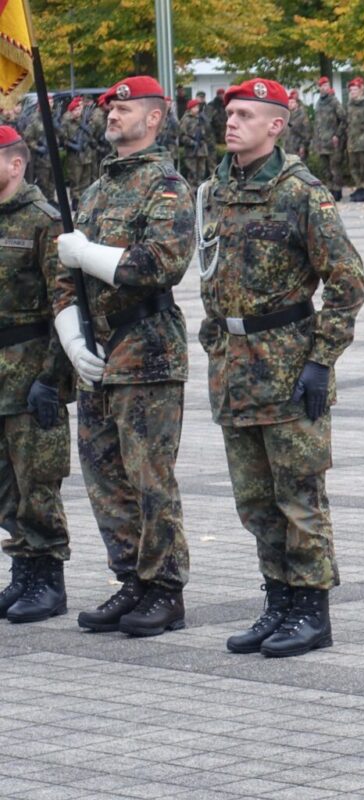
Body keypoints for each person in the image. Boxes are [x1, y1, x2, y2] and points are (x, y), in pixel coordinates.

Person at [195, 77, 364, 658]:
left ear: (276, 124)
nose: (232, 122)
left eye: (245, 114)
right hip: (234, 368)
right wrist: (213, 339)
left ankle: (312, 609)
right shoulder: (213, 191)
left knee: (299, 496)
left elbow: (348, 282)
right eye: (229, 113)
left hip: (289, 367)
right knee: (255, 499)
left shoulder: (300, 192)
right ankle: (279, 601)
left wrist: (322, 360)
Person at [52, 76, 194, 638]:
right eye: (110, 106)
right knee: (103, 476)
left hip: (147, 351)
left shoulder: (166, 185)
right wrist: (71, 336)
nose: (112, 113)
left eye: (125, 106)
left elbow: (158, 264)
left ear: (154, 118)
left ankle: (165, 588)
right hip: (99, 351)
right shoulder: (94, 189)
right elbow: (65, 276)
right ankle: (130, 578)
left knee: (148, 477)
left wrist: (86, 252)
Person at [0, 125, 73, 625]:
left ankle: (47, 580)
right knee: (6, 485)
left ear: (15, 164)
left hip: (30, 374)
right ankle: (22, 574)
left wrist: (53, 378)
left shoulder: (44, 221)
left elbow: (64, 307)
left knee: (36, 483)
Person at [344, 78, 364, 201]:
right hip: (352, 139)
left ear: (361, 90)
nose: (353, 92)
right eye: (351, 90)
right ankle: (359, 187)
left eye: (355, 89)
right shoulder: (350, 104)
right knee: (354, 166)